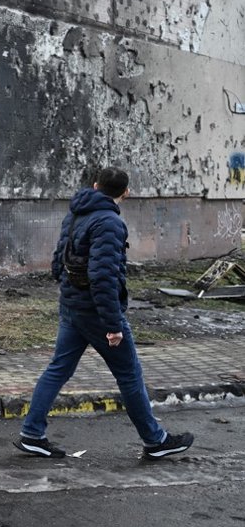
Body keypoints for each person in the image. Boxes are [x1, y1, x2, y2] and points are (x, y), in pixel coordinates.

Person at [14, 167, 194, 461]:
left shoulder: (76, 212)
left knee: (58, 369)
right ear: (126, 192)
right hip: (96, 312)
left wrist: (66, 286)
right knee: (129, 374)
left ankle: (32, 434)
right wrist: (112, 325)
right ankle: (155, 440)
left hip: (72, 305)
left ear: (96, 185)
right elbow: (103, 276)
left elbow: (59, 258)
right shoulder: (109, 222)